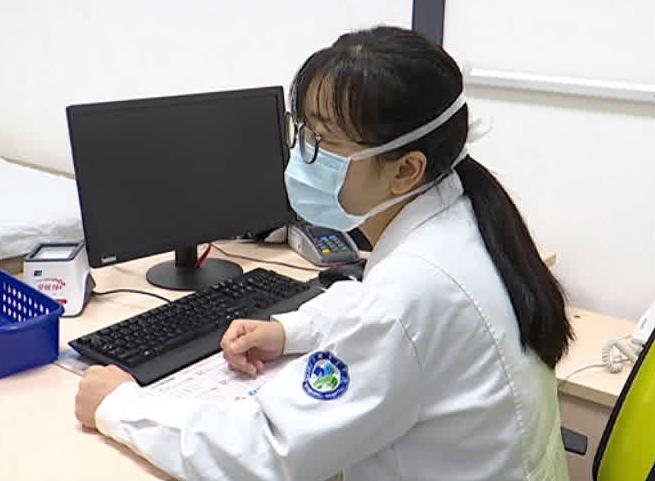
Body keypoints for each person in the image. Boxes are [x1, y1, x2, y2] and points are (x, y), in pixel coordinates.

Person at [75, 26, 573, 481]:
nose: (302, 155)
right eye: (304, 131)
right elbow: (379, 314)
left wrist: (118, 406)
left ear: (406, 170)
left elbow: (268, 453)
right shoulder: (461, 210)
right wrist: (292, 331)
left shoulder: (415, 289)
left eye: (323, 141)